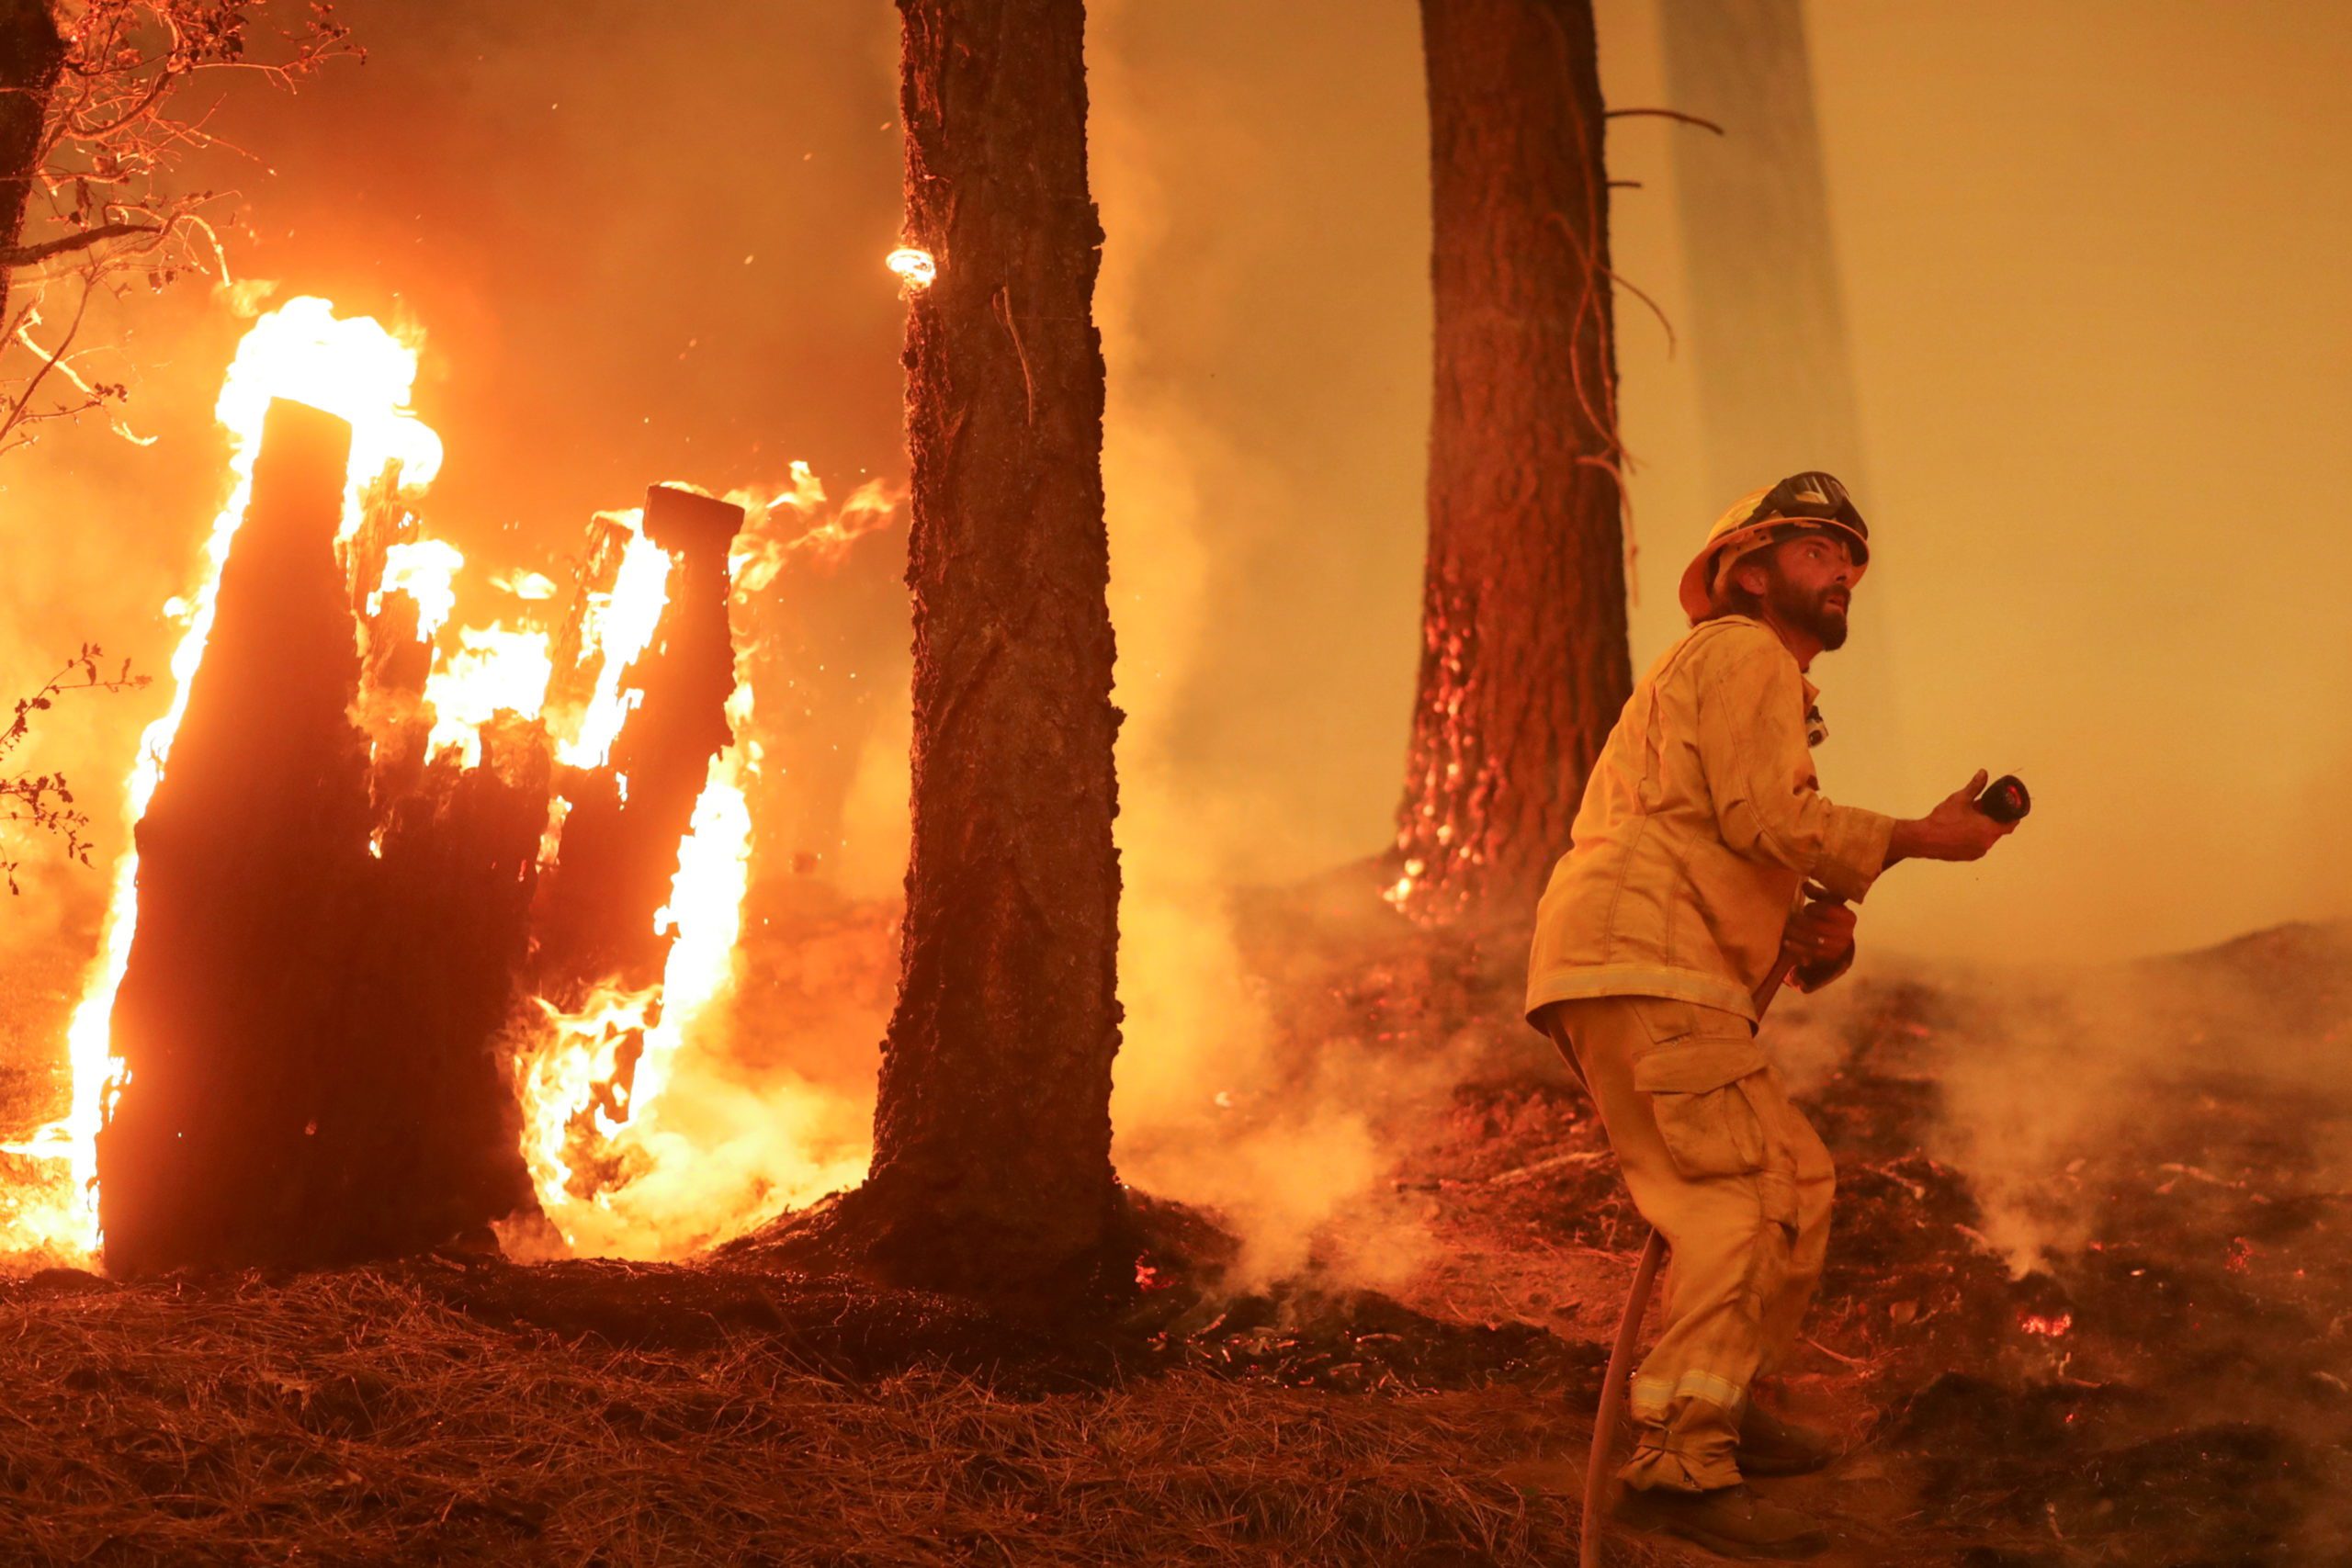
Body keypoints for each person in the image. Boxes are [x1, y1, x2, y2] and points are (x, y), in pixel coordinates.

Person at [1526, 471, 2015, 1560]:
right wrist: (1921, 839)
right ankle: (1679, 1464)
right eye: (1815, 552)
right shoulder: (1740, 651)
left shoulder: (1747, 682)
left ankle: (1721, 1402)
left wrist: (1812, 936)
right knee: (1735, 1199)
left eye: (1850, 558)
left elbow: (1720, 830)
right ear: (1749, 570)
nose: (1841, 571)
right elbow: (1762, 816)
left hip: (1658, 960)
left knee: (1793, 1184)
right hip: (1641, 956)